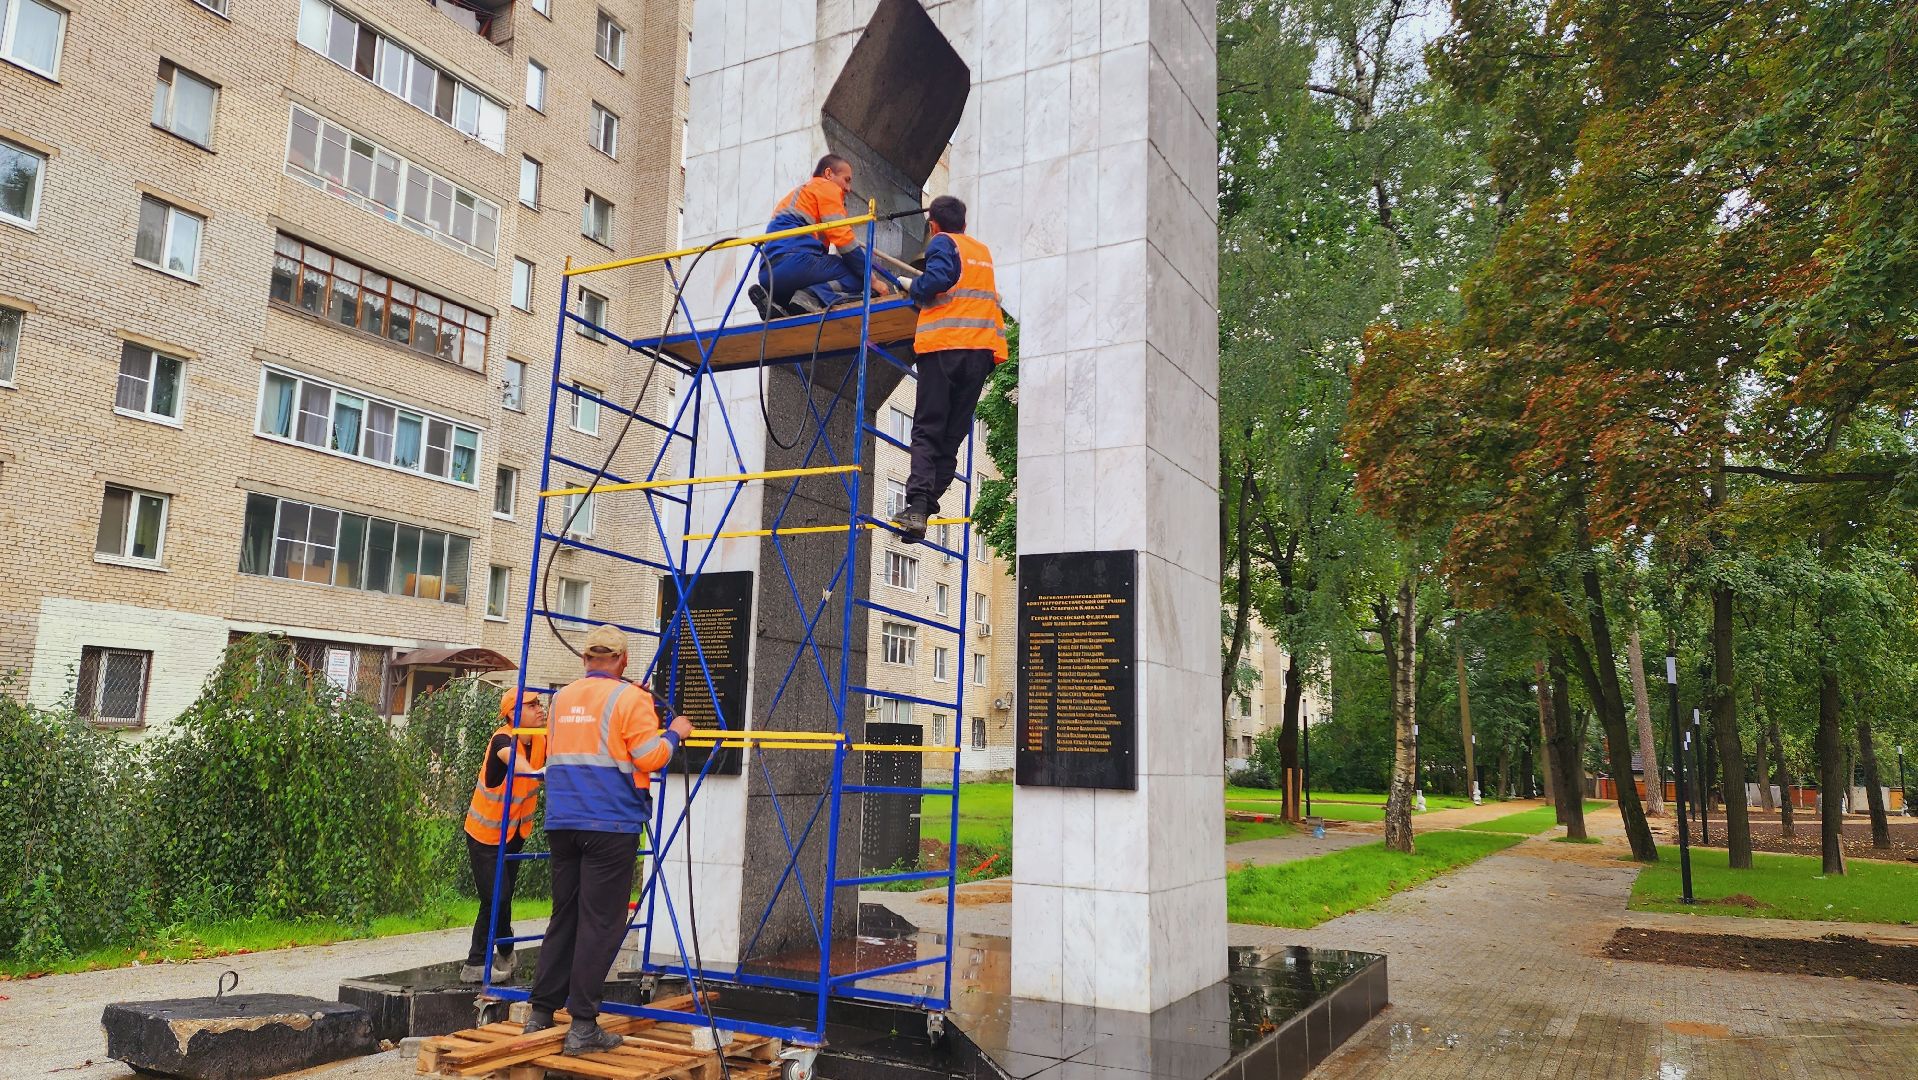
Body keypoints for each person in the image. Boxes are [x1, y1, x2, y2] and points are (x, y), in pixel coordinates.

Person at [523, 625, 693, 1055]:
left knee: (565, 917)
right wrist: (676, 733)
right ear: (622, 661)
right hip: (609, 824)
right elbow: (649, 756)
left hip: (563, 822)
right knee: (600, 924)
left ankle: (540, 1013)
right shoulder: (629, 697)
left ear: (584, 660)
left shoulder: (560, 699)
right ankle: (582, 1027)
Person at [890, 195, 1008, 541]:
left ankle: (917, 506)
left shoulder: (942, 242)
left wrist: (914, 285)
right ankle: (923, 509)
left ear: (933, 225)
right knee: (950, 436)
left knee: (927, 429)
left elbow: (939, 278)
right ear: (965, 224)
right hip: (979, 354)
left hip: (944, 348)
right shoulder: (981, 253)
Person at [461, 688, 548, 984]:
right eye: (532, 704)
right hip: (485, 834)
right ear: (513, 713)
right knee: (496, 896)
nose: (540, 708)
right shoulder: (503, 739)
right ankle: (475, 963)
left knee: (504, 895)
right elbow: (517, 763)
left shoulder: (540, 739)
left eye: (539, 702)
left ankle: (506, 951)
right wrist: (540, 772)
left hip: (513, 833)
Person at [750, 154, 892, 317]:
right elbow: (842, 238)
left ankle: (777, 304)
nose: (848, 188)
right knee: (857, 277)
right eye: (846, 180)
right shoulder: (826, 187)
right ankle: (811, 297)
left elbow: (822, 252)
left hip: (768, 274)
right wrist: (872, 280)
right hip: (795, 263)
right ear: (829, 174)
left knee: (803, 289)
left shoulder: (800, 196)